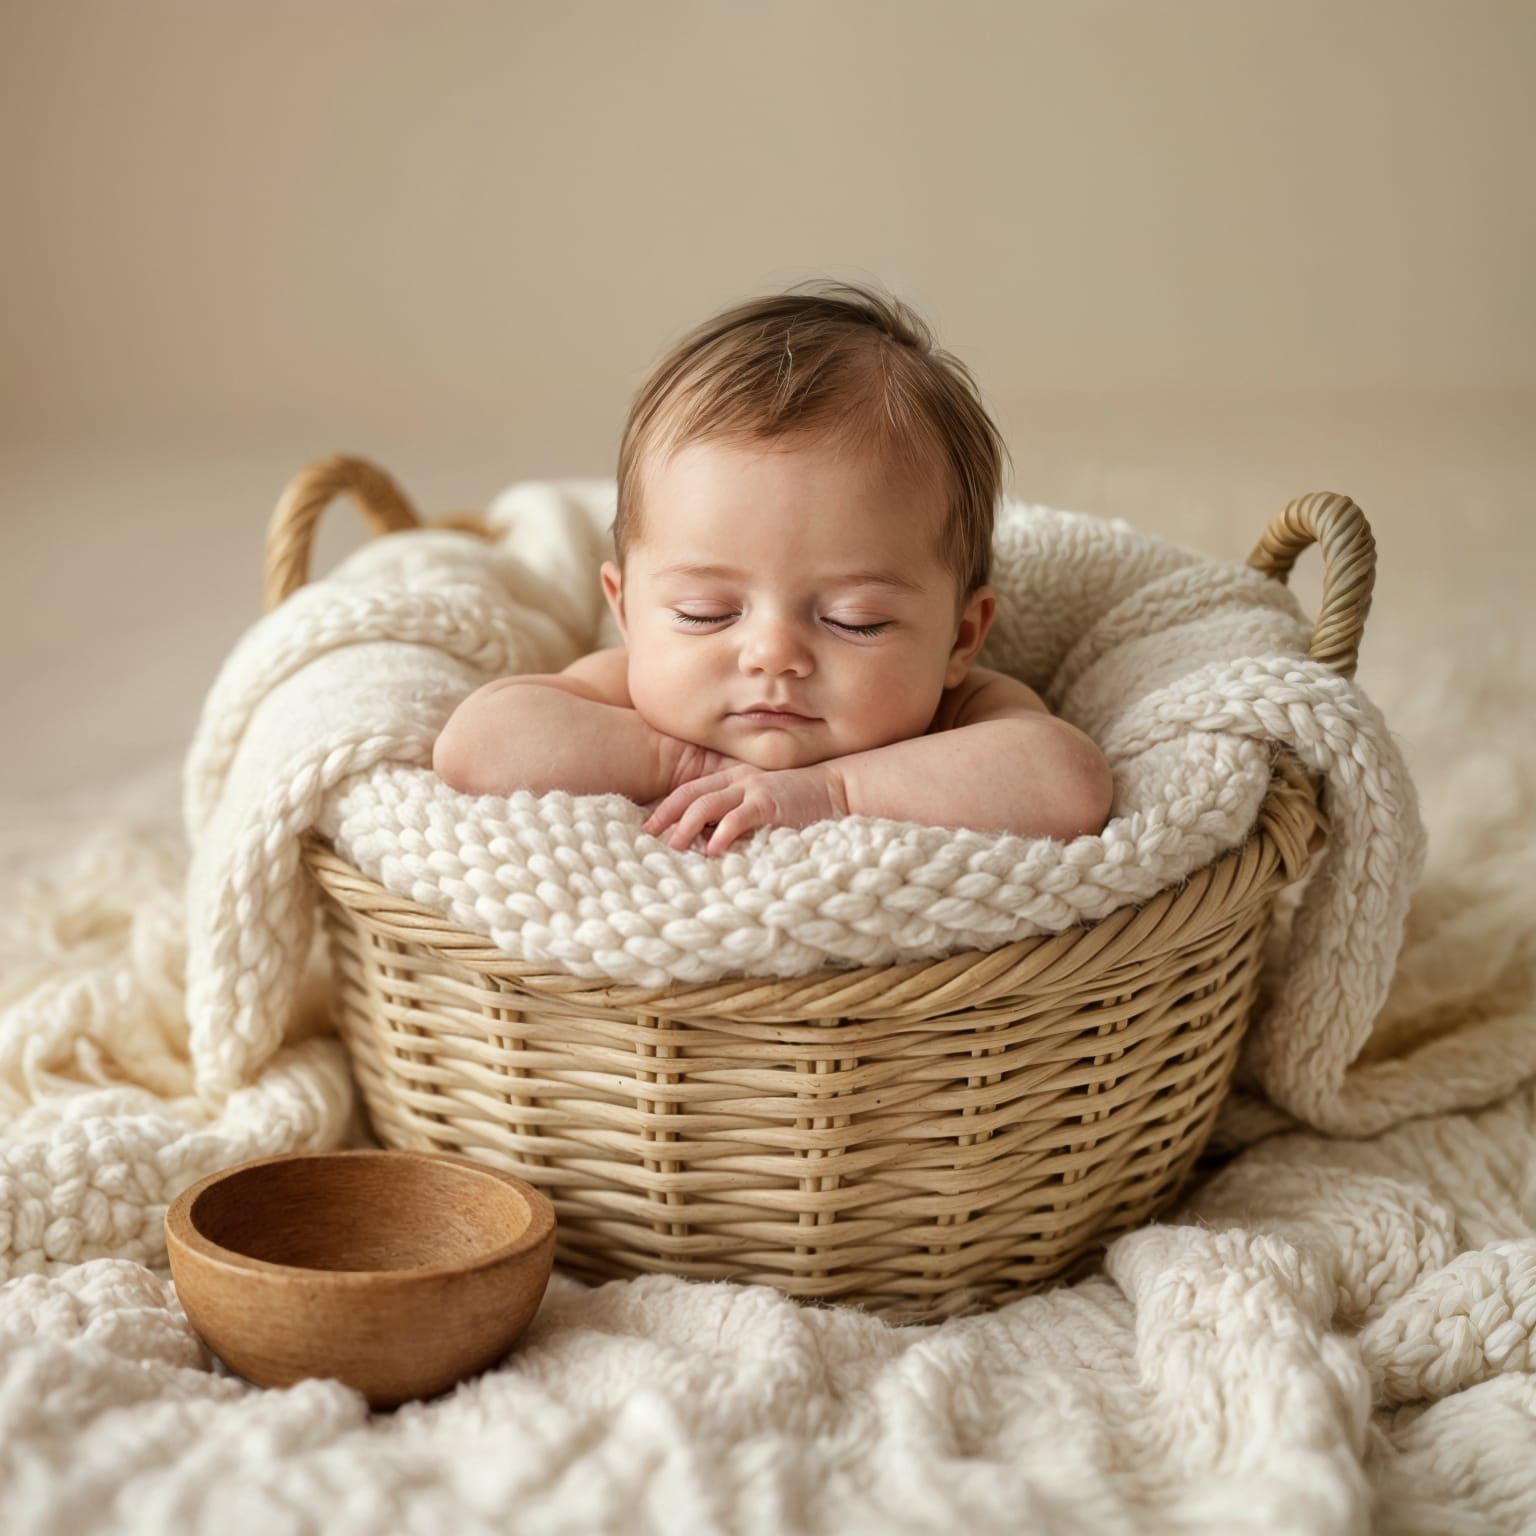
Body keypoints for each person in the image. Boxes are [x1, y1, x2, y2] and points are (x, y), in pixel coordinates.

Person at [432, 279, 1113, 857]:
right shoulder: (634, 700)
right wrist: (681, 762)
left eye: (857, 622)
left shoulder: (960, 714)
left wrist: (832, 792)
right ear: (627, 613)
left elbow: (1067, 783)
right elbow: (475, 746)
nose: (773, 655)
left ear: (961, 638)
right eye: (707, 613)